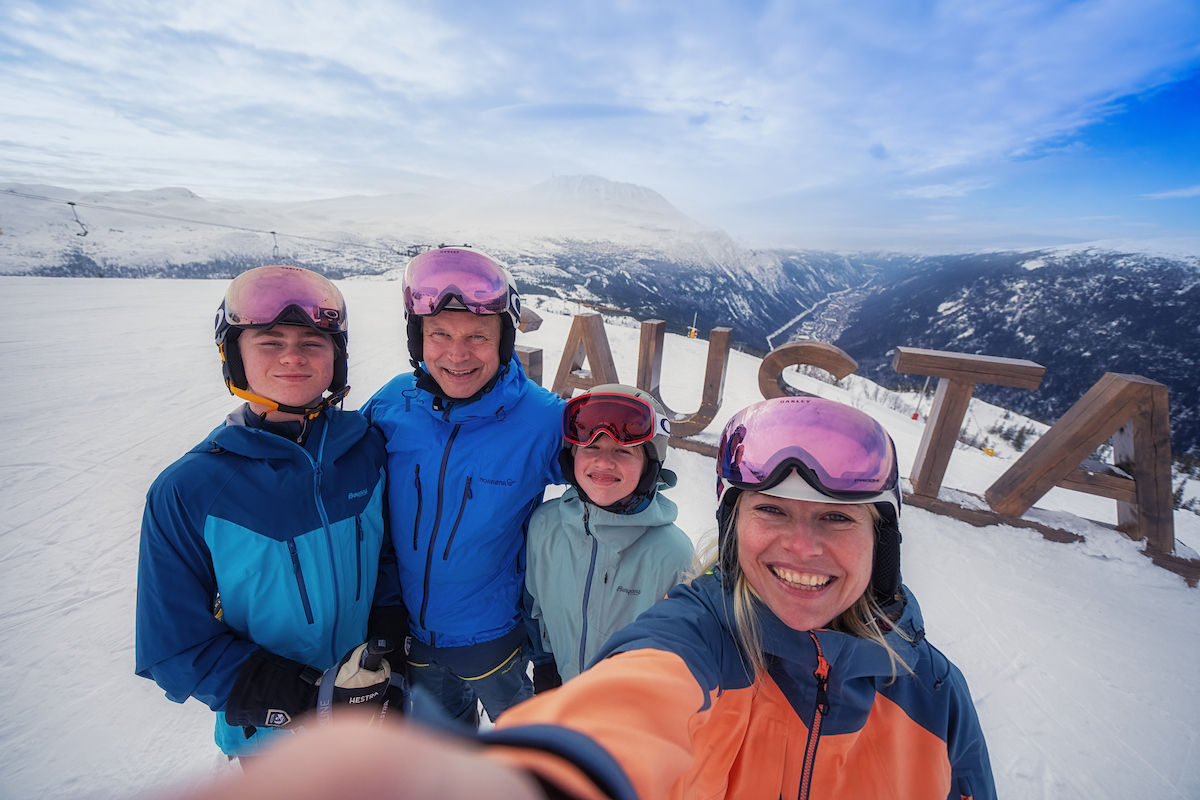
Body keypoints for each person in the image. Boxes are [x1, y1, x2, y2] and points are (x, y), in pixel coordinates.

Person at [167, 395, 996, 800]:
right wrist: (543, 774)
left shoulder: (934, 698)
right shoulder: (707, 634)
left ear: (882, 537)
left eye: (837, 520)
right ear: (734, 526)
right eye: (770, 511)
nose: (802, 547)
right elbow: (634, 696)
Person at [135, 265, 406, 758]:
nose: (293, 358)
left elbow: (385, 558)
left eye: (313, 341)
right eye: (269, 341)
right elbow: (174, 648)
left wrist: (389, 646)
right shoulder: (190, 488)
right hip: (272, 741)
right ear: (234, 356)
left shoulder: (366, 450)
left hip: (372, 711)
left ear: (337, 357)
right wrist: (308, 699)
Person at [361, 246, 565, 726]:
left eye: (478, 336)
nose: (457, 354)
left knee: (529, 755)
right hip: (411, 637)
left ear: (504, 340)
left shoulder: (542, 419)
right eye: (440, 334)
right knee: (445, 755)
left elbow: (610, 482)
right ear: (419, 338)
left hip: (493, 637)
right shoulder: (394, 403)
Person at [525, 384, 694, 690]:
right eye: (591, 448)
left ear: (649, 466)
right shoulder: (545, 526)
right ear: (571, 456)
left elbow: (678, 652)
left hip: (627, 711)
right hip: (560, 690)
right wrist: (545, 667)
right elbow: (535, 608)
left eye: (623, 451)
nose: (604, 463)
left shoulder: (673, 554)